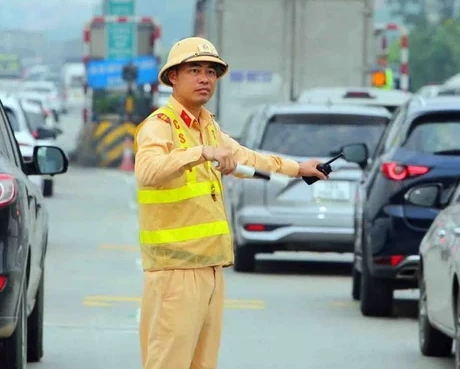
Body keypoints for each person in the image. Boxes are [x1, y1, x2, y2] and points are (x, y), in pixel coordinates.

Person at [134, 37, 329, 369]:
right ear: (173, 78)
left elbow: (246, 159)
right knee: (168, 363)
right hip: (176, 271)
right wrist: (201, 154)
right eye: (194, 70)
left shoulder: (208, 126)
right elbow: (148, 171)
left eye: (211, 72)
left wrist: (299, 168)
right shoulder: (159, 126)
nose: (205, 78)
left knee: (201, 364)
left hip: (210, 267)